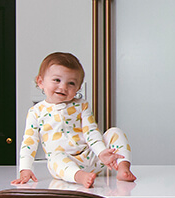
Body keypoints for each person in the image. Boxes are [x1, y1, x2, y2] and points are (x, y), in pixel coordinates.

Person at [11, 52, 136, 188]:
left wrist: (101, 152)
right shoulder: (36, 112)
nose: (63, 87)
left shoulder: (82, 106)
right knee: (55, 157)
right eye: (57, 80)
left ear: (78, 88)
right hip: (66, 163)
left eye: (71, 83)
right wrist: (25, 168)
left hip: (93, 157)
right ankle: (80, 176)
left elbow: (91, 131)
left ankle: (123, 168)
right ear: (41, 82)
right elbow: (29, 142)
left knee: (114, 132)